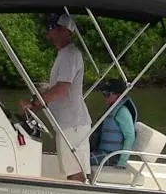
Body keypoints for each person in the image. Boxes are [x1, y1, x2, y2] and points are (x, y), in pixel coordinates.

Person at [19, 13, 92, 182]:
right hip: (65, 123)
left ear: (65, 31)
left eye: (52, 28)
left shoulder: (70, 55)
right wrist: (33, 108)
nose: (48, 33)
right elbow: (54, 91)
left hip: (73, 124)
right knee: (70, 169)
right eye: (49, 28)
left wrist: (33, 103)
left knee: (75, 171)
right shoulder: (64, 55)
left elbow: (60, 90)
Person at [90, 78, 138, 169]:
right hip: (103, 152)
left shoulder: (122, 112)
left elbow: (130, 137)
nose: (104, 97)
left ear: (118, 95)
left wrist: (122, 162)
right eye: (103, 94)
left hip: (112, 156)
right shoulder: (111, 110)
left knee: (83, 160)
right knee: (79, 156)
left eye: (107, 94)